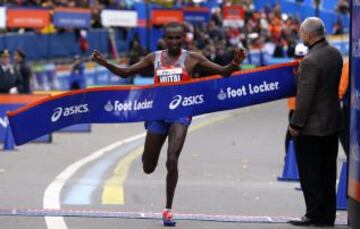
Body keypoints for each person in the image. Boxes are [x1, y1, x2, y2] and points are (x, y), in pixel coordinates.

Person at [91, 22, 246, 226]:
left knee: (172, 158)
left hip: (180, 114)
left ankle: (168, 210)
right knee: (148, 166)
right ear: (164, 38)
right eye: (170, 38)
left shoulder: (192, 58)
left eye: (177, 38)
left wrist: (235, 62)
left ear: (183, 38)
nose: (174, 42)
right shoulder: (153, 58)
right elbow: (126, 72)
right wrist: (106, 64)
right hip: (158, 113)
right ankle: (154, 169)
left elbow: (223, 72)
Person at [288, 17, 343, 227]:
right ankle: (327, 215)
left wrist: (295, 124)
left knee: (310, 173)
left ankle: (313, 214)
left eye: (302, 32)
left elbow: (304, 99)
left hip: (312, 128)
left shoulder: (310, 61)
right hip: (332, 122)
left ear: (307, 35)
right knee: (328, 172)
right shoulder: (335, 54)